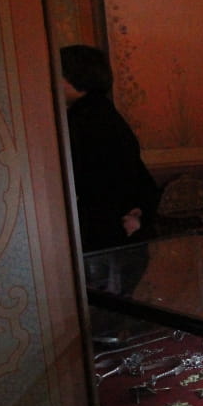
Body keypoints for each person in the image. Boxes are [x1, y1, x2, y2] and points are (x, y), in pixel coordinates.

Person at [61, 44, 160, 254]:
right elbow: (141, 181)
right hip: (123, 229)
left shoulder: (81, 120)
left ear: (73, 78)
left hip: (102, 235)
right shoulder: (107, 114)